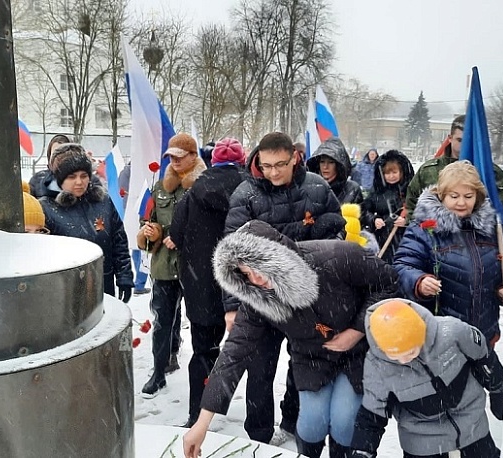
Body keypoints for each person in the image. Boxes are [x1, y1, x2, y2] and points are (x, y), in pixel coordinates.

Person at [182, 220, 398, 458]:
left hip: (357, 353)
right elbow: (234, 353)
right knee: (311, 423)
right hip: (311, 357)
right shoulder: (258, 299)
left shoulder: (336, 257)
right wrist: (202, 423)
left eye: (260, 265)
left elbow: (389, 283)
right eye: (247, 273)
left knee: (344, 420)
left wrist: (357, 330)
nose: (257, 278)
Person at [223, 132, 345, 444]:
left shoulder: (317, 188)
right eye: (266, 166)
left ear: (294, 159)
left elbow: (337, 235)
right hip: (261, 299)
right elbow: (230, 253)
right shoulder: (245, 194)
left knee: (303, 365)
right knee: (259, 369)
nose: (273, 172)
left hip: (306, 298)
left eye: (280, 164)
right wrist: (232, 306)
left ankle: (292, 421)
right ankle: (258, 436)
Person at [348, 299, 503, 458]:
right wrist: (362, 450)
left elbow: (484, 358)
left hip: (471, 422)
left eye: (410, 351)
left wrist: (498, 387)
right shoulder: (377, 367)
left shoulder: (452, 333)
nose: (404, 360)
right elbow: (373, 413)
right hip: (421, 438)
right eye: (395, 356)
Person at [393, 160, 503, 347]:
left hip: (484, 334)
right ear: (442, 195)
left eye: (468, 196)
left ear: (478, 196)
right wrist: (419, 281)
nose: (461, 203)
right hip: (439, 337)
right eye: (454, 196)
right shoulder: (424, 228)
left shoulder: (494, 228)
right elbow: (402, 265)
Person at [170, 137, 246, 428]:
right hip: (242, 284)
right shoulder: (250, 189)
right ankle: (254, 419)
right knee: (251, 352)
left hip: (201, 283)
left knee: (203, 351)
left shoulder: (194, 192)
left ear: (213, 162)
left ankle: (197, 413)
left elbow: (176, 234)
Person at [137, 133, 207, 398]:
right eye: (171, 157)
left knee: (200, 323)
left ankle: (202, 376)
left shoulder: (204, 186)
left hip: (194, 266)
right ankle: (159, 371)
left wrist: (185, 237)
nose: (175, 161)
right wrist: (151, 232)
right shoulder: (159, 188)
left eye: (180, 156)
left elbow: (211, 227)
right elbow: (149, 219)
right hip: (165, 265)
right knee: (162, 321)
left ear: (193, 156)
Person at [38, 144, 133, 302]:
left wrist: (124, 276)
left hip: (103, 286)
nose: (79, 182)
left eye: (84, 176)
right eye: (71, 177)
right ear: (58, 179)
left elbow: (119, 242)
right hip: (65, 292)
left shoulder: (103, 201)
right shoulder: (46, 208)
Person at [405, 115, 503, 227]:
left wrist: (488, 233)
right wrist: (422, 230)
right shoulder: (428, 170)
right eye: (460, 140)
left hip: (478, 236)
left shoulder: (491, 173)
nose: (465, 145)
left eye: (470, 141)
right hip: (434, 235)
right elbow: (411, 205)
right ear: (450, 138)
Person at [360, 150, 415, 264]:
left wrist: (407, 220)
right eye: (387, 173)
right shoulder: (377, 192)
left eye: (394, 172)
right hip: (383, 240)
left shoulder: (410, 191)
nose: (391, 176)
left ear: (402, 171)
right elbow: (364, 211)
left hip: (407, 240)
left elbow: (420, 212)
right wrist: (374, 220)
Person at [118, 162, 151, 296]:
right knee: (142, 247)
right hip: (137, 211)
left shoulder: (124, 172)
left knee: (136, 246)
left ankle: (139, 281)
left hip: (128, 211)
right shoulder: (137, 171)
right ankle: (139, 283)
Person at [307, 137, 364, 205]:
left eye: (331, 162)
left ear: (338, 165)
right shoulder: (310, 188)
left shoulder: (352, 189)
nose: (325, 167)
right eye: (322, 162)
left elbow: (361, 211)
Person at [28, 134, 71, 198]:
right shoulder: (37, 180)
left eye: (63, 152)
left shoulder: (79, 180)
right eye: (55, 153)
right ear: (49, 155)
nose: (58, 157)